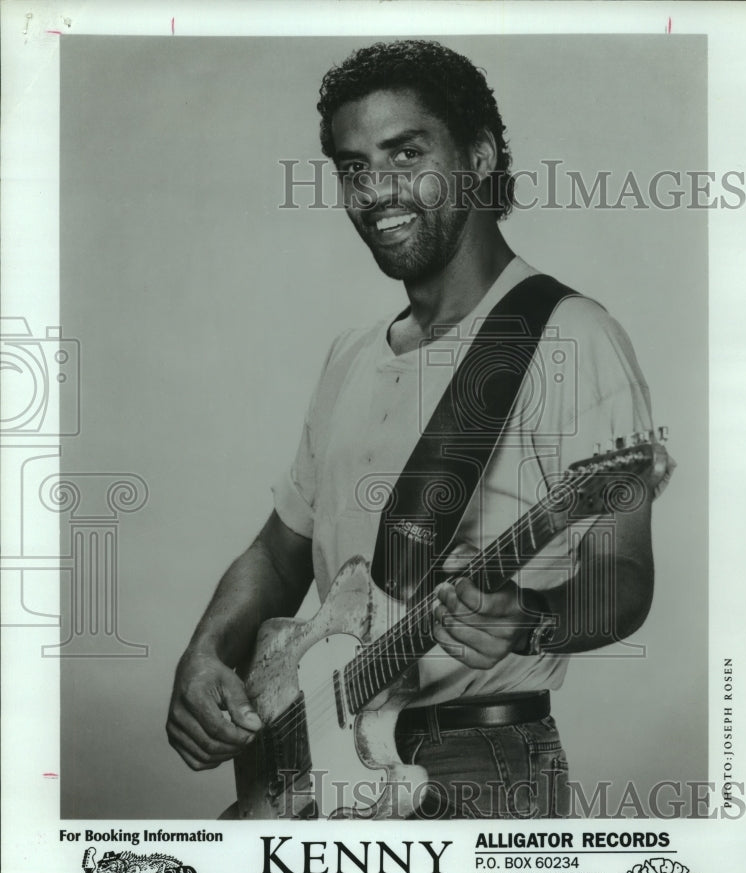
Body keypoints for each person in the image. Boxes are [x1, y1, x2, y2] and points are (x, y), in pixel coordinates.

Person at [167, 39, 662, 819]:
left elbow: (623, 572)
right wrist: (204, 654)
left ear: (478, 155)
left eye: (405, 153)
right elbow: (277, 550)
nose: (376, 189)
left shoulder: (567, 337)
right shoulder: (352, 356)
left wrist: (533, 621)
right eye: (353, 166)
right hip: (315, 768)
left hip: (475, 768)